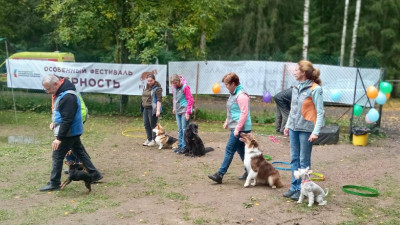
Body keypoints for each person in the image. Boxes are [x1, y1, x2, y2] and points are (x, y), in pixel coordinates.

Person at [40, 74, 103, 191]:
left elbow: (67, 119)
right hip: (73, 131)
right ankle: (95, 174)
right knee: (79, 152)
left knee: (57, 155)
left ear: (56, 84)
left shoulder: (68, 96)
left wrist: (59, 138)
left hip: (69, 132)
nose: (48, 91)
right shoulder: (63, 92)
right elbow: (62, 113)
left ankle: (54, 183)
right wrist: (54, 122)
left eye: (49, 88)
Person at [283, 60, 324, 200]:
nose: (294, 72)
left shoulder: (315, 89)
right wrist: (288, 125)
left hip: (306, 129)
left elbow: (320, 112)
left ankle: (303, 190)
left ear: (303, 73)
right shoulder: (295, 87)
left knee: (303, 161)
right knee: (294, 159)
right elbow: (293, 109)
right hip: (294, 128)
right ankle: (294, 187)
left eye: (296, 70)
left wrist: (315, 132)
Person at [208, 72, 252, 184]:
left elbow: (244, 113)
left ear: (233, 83)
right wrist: (227, 121)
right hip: (236, 126)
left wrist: (237, 129)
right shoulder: (233, 93)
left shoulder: (242, 95)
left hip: (241, 127)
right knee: (241, 150)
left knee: (229, 149)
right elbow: (232, 109)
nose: (226, 87)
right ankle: (249, 171)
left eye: (227, 84)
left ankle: (220, 174)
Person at [170, 74, 194, 154]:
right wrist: (174, 108)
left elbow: (190, 100)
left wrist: (188, 112)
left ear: (179, 80)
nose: (175, 85)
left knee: (184, 129)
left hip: (184, 110)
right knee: (179, 129)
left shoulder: (185, 87)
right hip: (178, 110)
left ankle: (185, 147)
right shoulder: (174, 87)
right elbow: (174, 98)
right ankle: (179, 146)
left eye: (176, 83)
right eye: (173, 83)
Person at [141, 74, 162, 147]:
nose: (149, 82)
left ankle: (153, 140)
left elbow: (159, 100)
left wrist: (158, 110)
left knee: (152, 124)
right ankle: (149, 139)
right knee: (146, 124)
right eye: (148, 81)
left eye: (151, 81)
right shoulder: (146, 87)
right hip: (145, 108)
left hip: (152, 109)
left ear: (154, 80)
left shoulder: (157, 88)